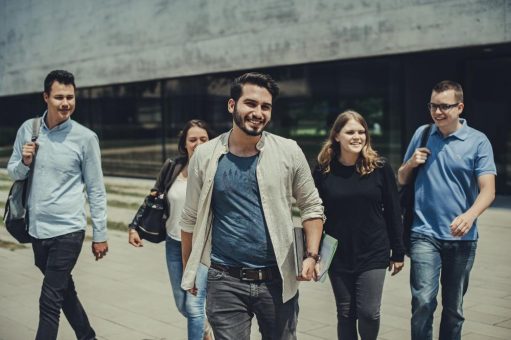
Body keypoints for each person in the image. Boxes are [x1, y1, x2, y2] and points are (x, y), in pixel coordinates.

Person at [179, 72, 324, 340]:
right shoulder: (205, 155)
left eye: (265, 107)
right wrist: (190, 271)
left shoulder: (289, 151)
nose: (258, 112)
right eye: (250, 104)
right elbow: (189, 218)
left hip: (278, 280)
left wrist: (312, 255)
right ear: (232, 105)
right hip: (224, 280)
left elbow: (312, 207)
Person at [7, 70, 108, 340]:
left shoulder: (85, 138)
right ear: (46, 97)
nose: (66, 103)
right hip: (37, 231)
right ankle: (88, 337)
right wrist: (25, 162)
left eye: (70, 97)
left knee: (49, 300)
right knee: (64, 292)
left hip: (69, 231)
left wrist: (100, 234)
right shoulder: (28, 130)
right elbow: (13, 173)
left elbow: (96, 190)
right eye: (59, 97)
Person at [398, 80, 496, 340]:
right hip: (423, 233)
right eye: (433, 106)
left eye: (444, 106)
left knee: (454, 309)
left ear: (460, 107)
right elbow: (400, 179)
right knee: (423, 302)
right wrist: (410, 163)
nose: (437, 112)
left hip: (462, 239)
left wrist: (470, 215)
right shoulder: (422, 134)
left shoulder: (478, 141)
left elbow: (488, 189)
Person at [313, 110, 405, 340]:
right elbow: (313, 213)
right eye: (350, 131)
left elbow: (394, 211)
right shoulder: (324, 170)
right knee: (345, 313)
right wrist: (312, 254)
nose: (357, 136)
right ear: (336, 136)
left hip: (374, 249)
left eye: (362, 131)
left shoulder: (379, 167)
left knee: (369, 313)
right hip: (338, 253)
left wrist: (399, 251)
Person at [128, 119, 214, 340]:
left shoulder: (216, 168)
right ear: (184, 144)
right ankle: (208, 331)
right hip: (174, 244)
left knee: (194, 307)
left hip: (203, 246)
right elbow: (153, 196)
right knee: (181, 303)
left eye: (203, 139)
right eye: (192, 139)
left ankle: (205, 330)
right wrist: (134, 226)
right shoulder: (173, 167)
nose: (198, 143)